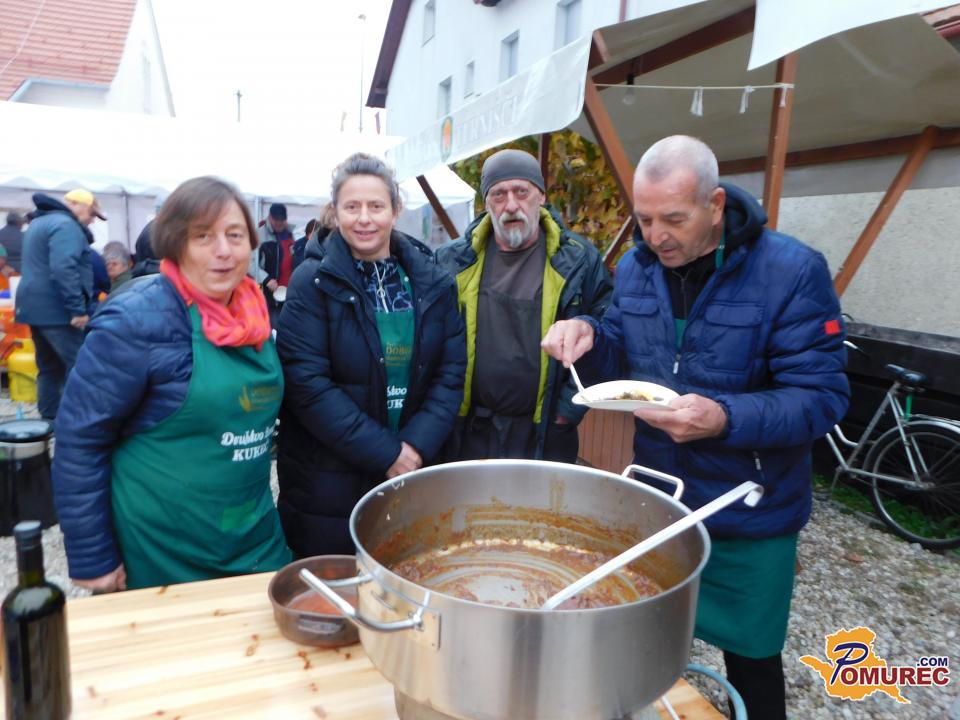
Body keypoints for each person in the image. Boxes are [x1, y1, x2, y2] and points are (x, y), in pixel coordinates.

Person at [541, 135, 850, 719]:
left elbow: (821, 398)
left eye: (674, 219)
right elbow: (622, 350)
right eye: (645, 219)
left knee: (752, 660)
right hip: (662, 498)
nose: (656, 236)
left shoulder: (791, 271)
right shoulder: (638, 269)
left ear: (715, 205)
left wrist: (725, 418)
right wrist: (588, 335)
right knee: (645, 648)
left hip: (748, 508)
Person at [51, 176, 291, 592]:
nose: (223, 250)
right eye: (203, 236)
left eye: (235, 235)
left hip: (252, 538)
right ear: (176, 244)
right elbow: (80, 439)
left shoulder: (254, 314)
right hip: (162, 553)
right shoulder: (136, 321)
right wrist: (93, 556)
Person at [275, 153, 466, 557]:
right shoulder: (312, 282)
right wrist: (386, 453)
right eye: (352, 207)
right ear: (335, 212)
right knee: (335, 586)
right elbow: (307, 385)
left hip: (413, 469)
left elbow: (450, 375)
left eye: (376, 206)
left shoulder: (433, 281)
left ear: (395, 211)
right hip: (328, 483)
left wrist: (413, 448)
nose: (364, 218)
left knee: (406, 574)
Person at [435, 149, 612, 463]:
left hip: (545, 434)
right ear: (486, 203)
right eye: (499, 194)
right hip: (468, 432)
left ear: (541, 196)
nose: (511, 205)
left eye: (521, 192)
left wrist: (567, 412)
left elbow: (605, 333)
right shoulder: (453, 261)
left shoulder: (579, 260)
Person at [15, 189, 101, 420]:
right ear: (79, 206)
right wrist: (77, 309)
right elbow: (64, 268)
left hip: (34, 308)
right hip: (57, 311)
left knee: (48, 367)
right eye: (92, 214)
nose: (93, 220)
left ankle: (50, 419)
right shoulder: (66, 225)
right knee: (81, 365)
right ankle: (81, 420)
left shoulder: (39, 222)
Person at [255, 202, 296, 324]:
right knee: (272, 326)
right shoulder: (259, 235)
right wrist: (266, 279)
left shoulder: (291, 234)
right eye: (276, 220)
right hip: (270, 294)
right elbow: (249, 263)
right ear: (270, 217)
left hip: (289, 292)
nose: (278, 223)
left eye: (281, 220)